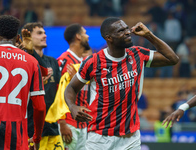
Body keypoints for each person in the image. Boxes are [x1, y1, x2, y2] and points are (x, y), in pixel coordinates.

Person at [64, 17, 179, 150]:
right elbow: (71, 88)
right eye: (120, 31)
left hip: (131, 137)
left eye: (126, 28)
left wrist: (149, 35)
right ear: (109, 38)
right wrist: (72, 107)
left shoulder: (137, 54)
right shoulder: (93, 62)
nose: (127, 32)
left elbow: (173, 59)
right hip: (100, 138)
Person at [0, 15, 46, 150]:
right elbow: (40, 107)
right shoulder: (31, 62)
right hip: (17, 135)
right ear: (18, 37)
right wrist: (36, 138)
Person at [23, 22, 64, 150]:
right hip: (31, 129)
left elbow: (58, 94)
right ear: (28, 37)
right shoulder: (24, 61)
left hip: (52, 128)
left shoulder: (52, 61)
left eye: (45, 33)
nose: (45, 36)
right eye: (40, 33)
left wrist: (62, 121)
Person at [57, 23, 91, 150]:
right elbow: (57, 93)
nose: (87, 36)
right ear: (78, 36)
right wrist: (62, 122)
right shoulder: (65, 61)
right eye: (84, 33)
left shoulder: (83, 62)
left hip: (82, 124)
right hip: (69, 124)